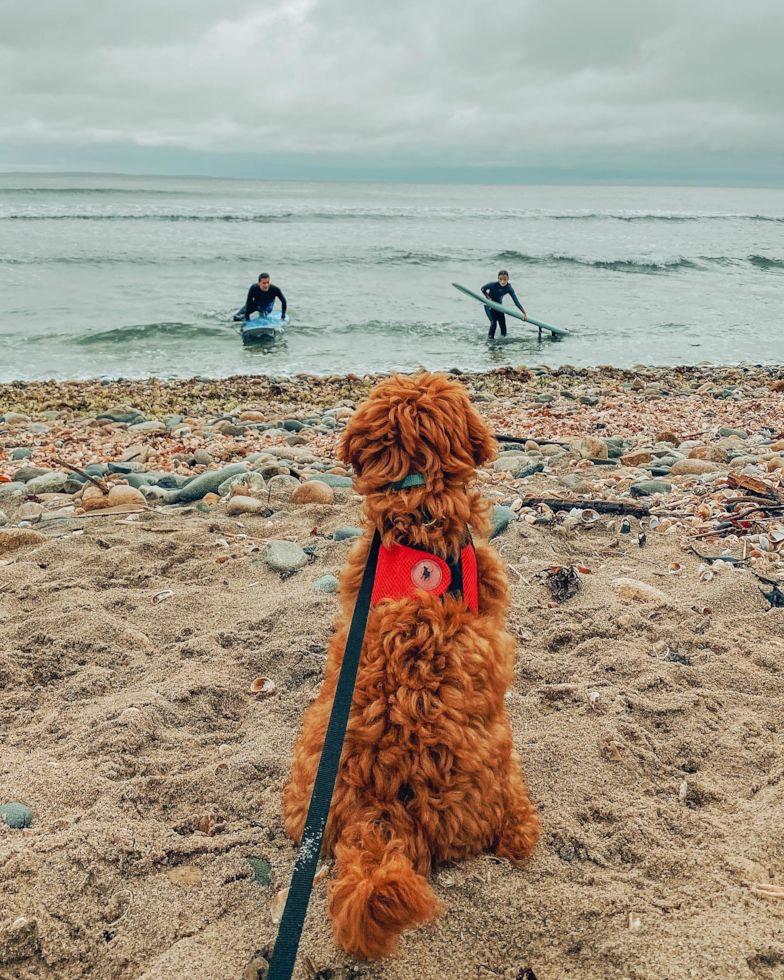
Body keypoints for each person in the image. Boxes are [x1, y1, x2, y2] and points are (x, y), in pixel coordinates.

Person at [481, 270, 526, 339]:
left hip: (499, 307)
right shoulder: (493, 285)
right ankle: (490, 343)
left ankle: (503, 345)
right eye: (501, 279)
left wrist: (524, 313)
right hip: (489, 306)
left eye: (505, 279)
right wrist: (488, 297)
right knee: (493, 324)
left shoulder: (509, 288)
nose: (503, 281)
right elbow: (483, 288)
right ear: (498, 279)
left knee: (503, 327)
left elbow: (516, 301)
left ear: (508, 279)